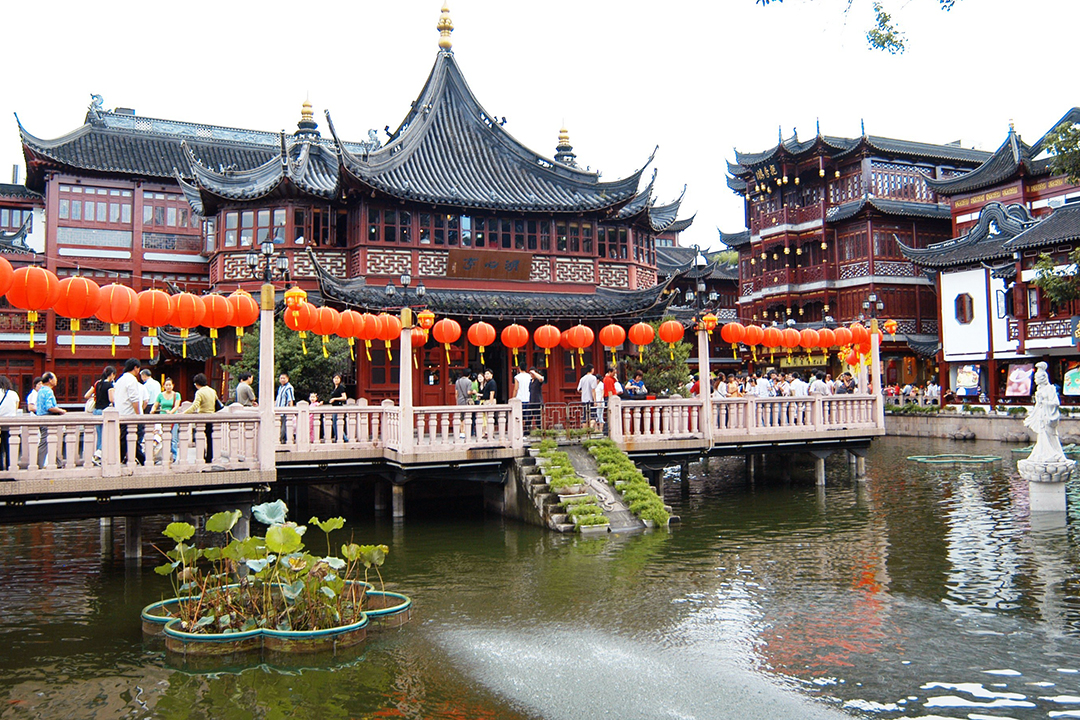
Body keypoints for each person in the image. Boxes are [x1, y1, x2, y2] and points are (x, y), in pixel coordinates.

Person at [1024, 362, 1066, 463]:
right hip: (1041, 415)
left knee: (1049, 435)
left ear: (1042, 378)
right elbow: (1038, 404)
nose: (1034, 380)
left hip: (1048, 415)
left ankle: (1053, 453)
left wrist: (1044, 402)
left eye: (1036, 378)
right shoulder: (1039, 389)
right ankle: (1042, 453)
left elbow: (1056, 402)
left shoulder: (1050, 389)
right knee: (1042, 435)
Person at [113, 358, 145, 466]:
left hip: (121, 413)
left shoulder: (119, 380)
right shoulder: (131, 380)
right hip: (130, 415)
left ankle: (139, 459)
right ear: (135, 368)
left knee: (126, 439)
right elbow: (134, 399)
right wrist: (138, 415)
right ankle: (141, 459)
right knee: (132, 439)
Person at [182, 373, 218, 462]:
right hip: (212, 417)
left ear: (197, 383)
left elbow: (195, 405)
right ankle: (209, 457)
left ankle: (201, 456)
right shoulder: (212, 391)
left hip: (202, 417)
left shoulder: (199, 392)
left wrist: (184, 413)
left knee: (200, 437)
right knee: (210, 439)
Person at [35, 372, 66, 469]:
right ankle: (39, 464)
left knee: (50, 441)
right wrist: (60, 410)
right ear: (50, 380)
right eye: (55, 378)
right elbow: (49, 407)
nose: (56, 380)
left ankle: (59, 462)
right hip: (47, 418)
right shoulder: (48, 391)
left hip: (41, 418)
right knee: (44, 442)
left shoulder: (41, 390)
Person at [88, 365, 116, 463]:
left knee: (99, 434)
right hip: (104, 411)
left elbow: (86, 395)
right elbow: (112, 399)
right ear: (112, 375)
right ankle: (98, 456)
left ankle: (98, 454)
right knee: (105, 434)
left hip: (96, 411)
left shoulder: (97, 383)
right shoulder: (109, 385)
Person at [152, 377, 181, 463]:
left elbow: (176, 406)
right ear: (164, 386)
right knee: (161, 437)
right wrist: (153, 409)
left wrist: (171, 413)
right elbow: (155, 405)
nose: (168, 386)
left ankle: (174, 456)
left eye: (170, 385)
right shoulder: (160, 395)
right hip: (162, 419)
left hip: (173, 419)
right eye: (167, 385)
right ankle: (162, 455)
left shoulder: (177, 395)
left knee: (174, 438)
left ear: (173, 385)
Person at [0, 376, 18, 471]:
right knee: (9, 449)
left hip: (0, 424)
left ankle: (0, 469)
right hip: (11, 426)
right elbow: (15, 407)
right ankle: (9, 468)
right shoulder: (13, 394)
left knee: (0, 450)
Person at [328, 374, 348, 442]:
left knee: (337, 423)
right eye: (335, 378)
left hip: (338, 407)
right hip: (334, 407)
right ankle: (338, 437)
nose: (336, 380)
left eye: (337, 378)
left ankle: (343, 438)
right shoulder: (334, 388)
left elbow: (344, 397)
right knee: (334, 423)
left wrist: (335, 399)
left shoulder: (341, 387)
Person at [276, 373, 295, 442]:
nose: (282, 380)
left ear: (287, 379)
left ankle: (281, 439)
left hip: (284, 411)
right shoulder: (280, 387)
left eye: (284, 378)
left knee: (284, 427)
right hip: (279, 411)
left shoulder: (289, 387)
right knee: (279, 426)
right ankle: (281, 439)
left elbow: (290, 399)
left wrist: (291, 410)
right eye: (281, 378)